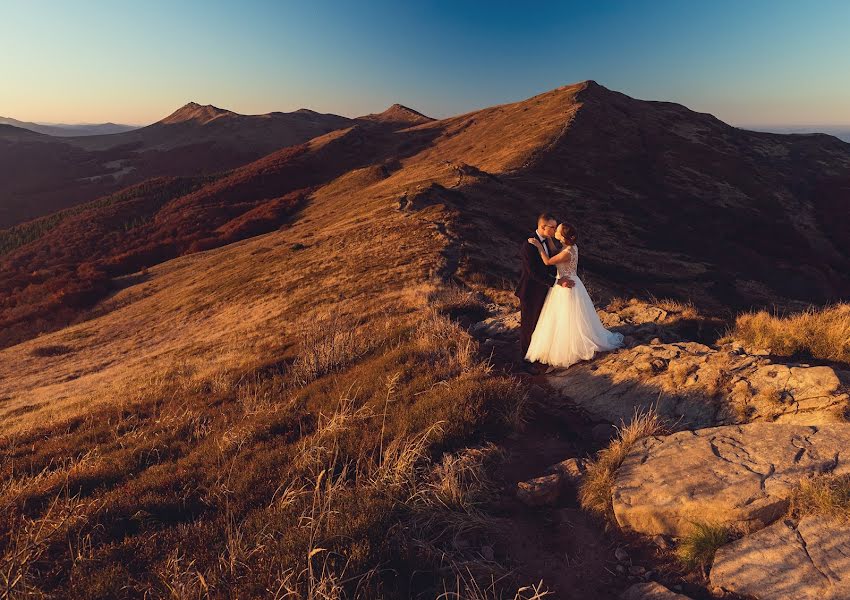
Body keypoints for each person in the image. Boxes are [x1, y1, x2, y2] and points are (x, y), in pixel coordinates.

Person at [525, 222, 624, 369]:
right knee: (566, 317)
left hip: (566, 286)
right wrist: (549, 240)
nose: (555, 231)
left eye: (557, 231)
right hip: (569, 282)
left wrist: (539, 246)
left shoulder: (567, 252)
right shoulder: (570, 247)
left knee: (568, 317)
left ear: (562, 236)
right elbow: (554, 250)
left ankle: (571, 349)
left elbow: (548, 261)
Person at [516, 213, 574, 371]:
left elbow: (550, 264)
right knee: (528, 325)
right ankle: (525, 361)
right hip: (530, 291)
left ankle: (539, 355)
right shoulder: (528, 245)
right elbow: (533, 272)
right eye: (553, 227)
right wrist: (557, 282)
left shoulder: (547, 242)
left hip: (544, 290)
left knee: (541, 324)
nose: (555, 230)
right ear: (543, 227)